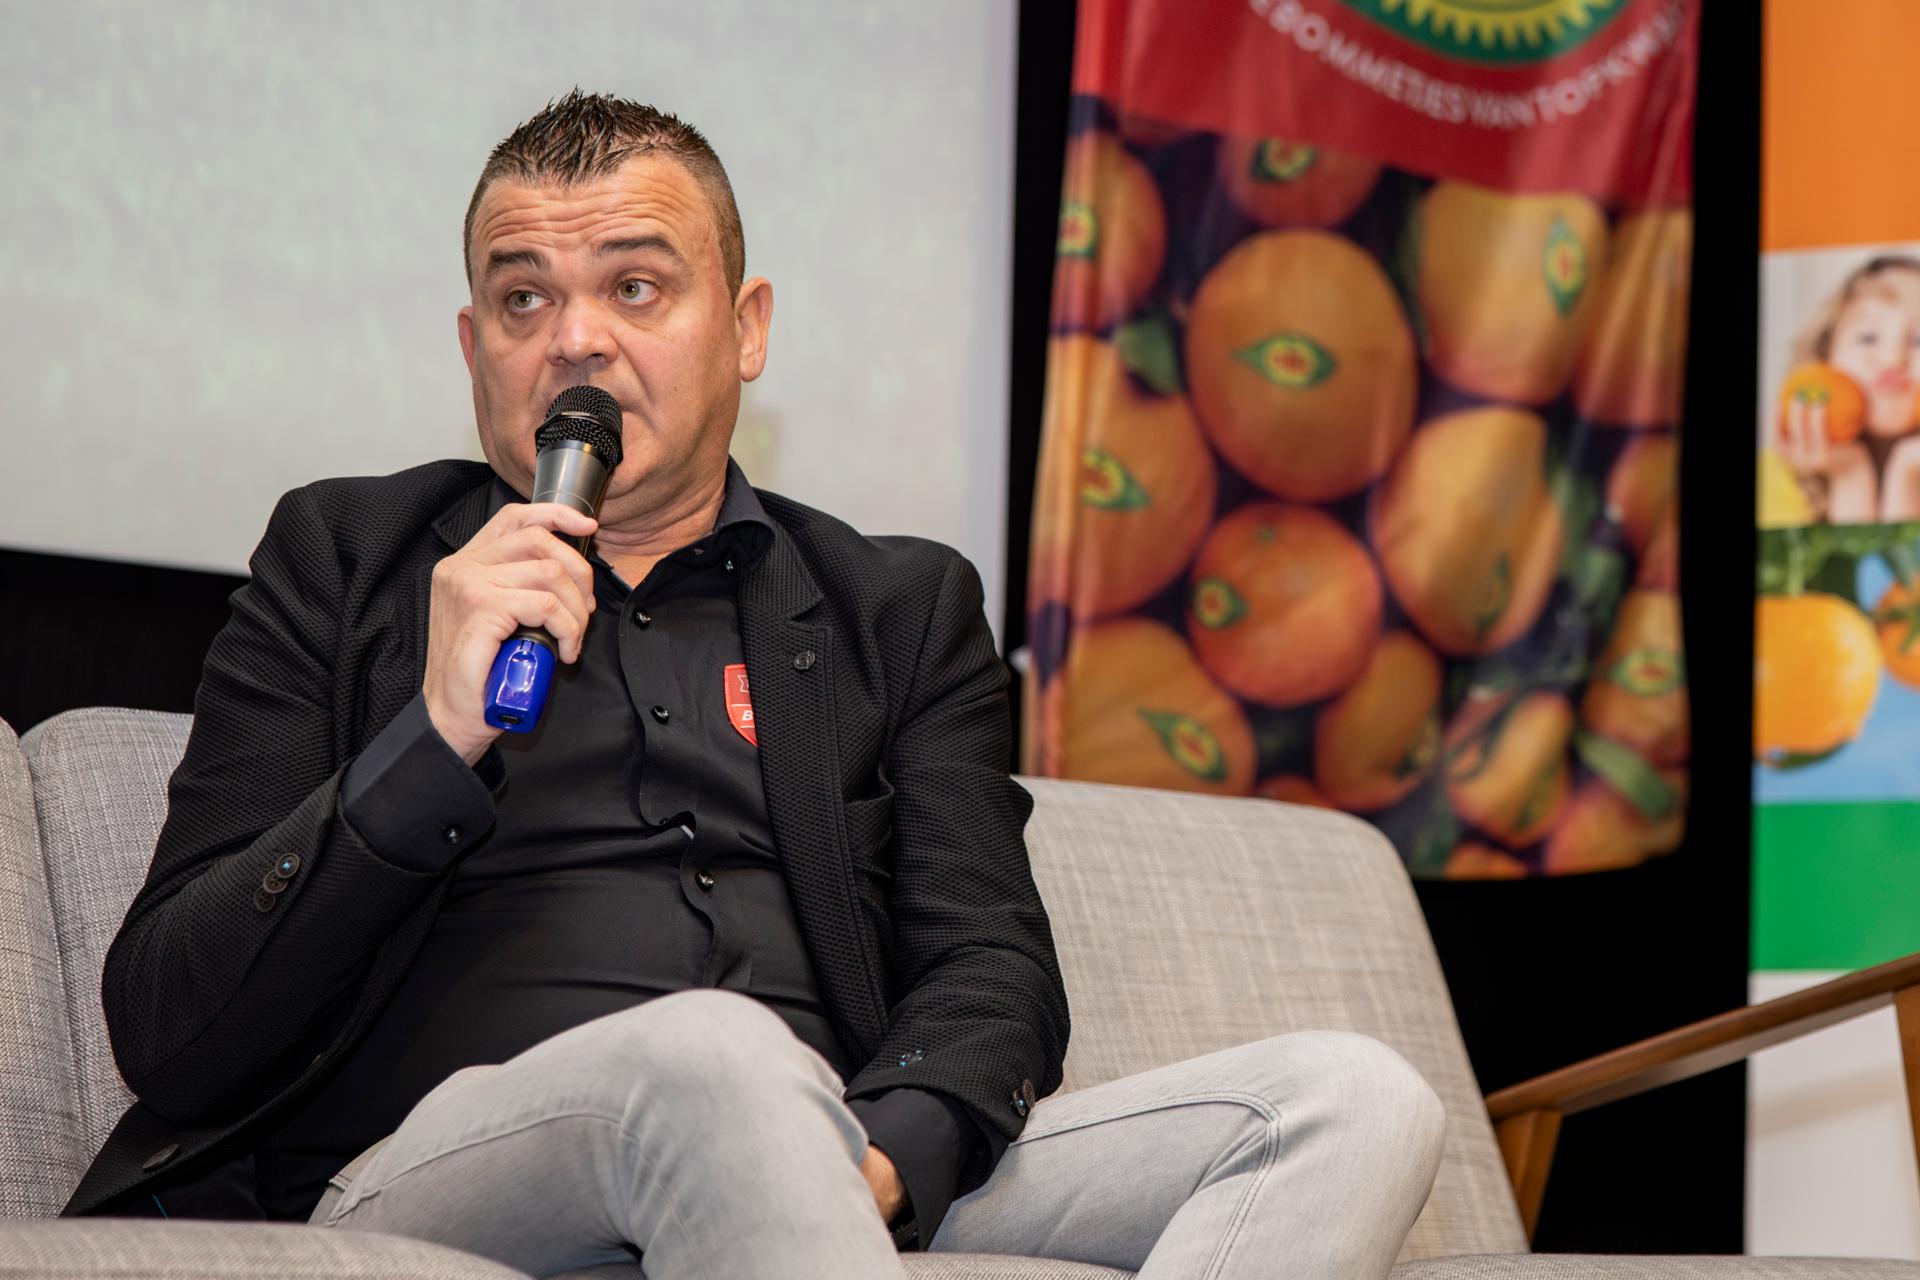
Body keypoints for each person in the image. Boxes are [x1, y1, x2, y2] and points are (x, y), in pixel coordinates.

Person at [62, 92, 1446, 1279]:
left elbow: (989, 966)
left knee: (1348, 1101)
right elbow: (171, 1027)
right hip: (440, 1175)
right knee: (712, 1058)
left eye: (636, 287)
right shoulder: (345, 559)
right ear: (475, 347)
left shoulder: (894, 607)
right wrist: (429, 737)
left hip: (825, 1159)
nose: (575, 340)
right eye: (524, 297)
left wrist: (878, 1167)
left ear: (746, 327)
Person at [1776, 255, 1920, 522]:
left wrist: (1909, 471)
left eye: (1917, 340)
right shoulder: (1772, 482)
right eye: (1868, 337)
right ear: (1824, 355)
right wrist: (1850, 473)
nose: (1892, 358)